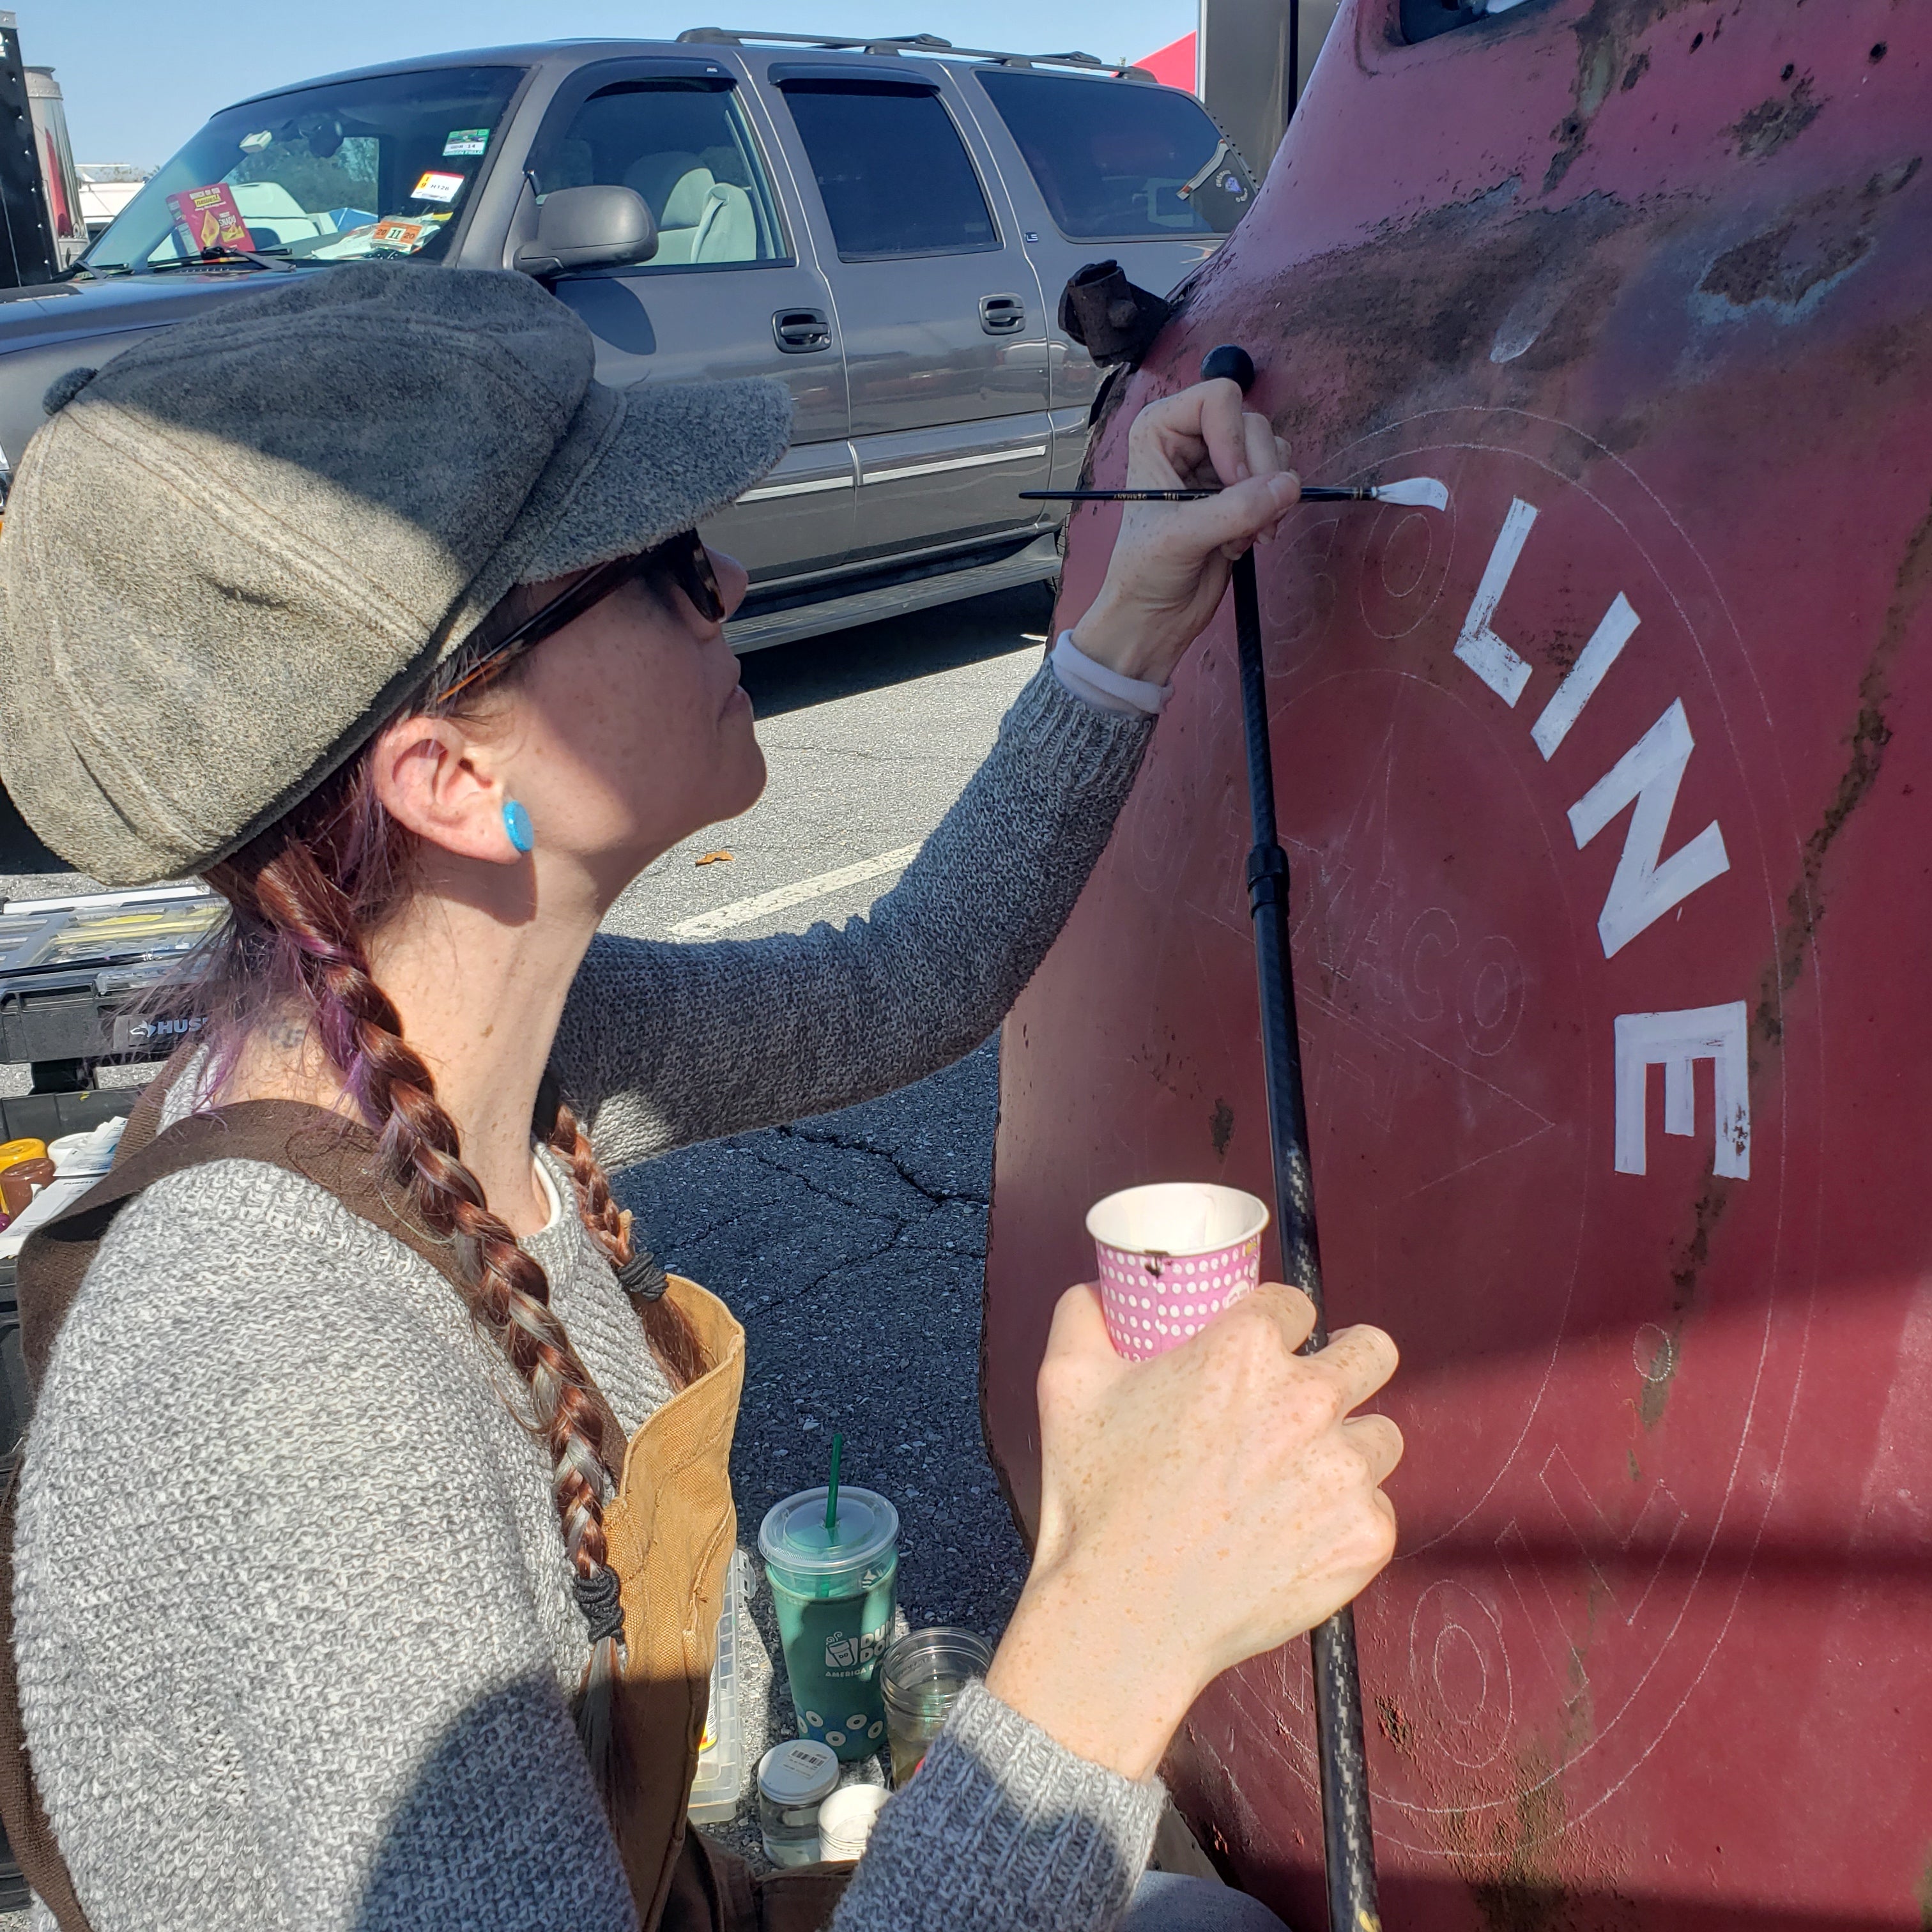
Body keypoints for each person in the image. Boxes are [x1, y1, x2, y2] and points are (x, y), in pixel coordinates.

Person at [0, 264, 1400, 1932]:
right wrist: (1120, 1628)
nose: (729, 577)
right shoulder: (292, 1382)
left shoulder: (454, 1050)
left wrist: (1135, 623)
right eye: (665, 566)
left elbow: (904, 981)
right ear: (455, 780)